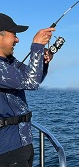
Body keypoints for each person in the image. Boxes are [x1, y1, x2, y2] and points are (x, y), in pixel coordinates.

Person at [0, 13, 55, 167]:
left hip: (23, 143)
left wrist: (43, 63)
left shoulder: (9, 61)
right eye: (14, 35)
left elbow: (33, 78)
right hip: (7, 148)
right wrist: (37, 46)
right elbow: (31, 82)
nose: (17, 40)